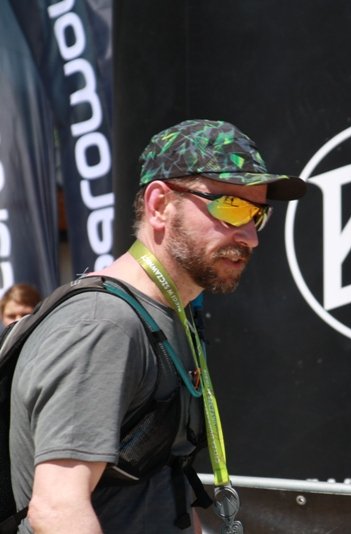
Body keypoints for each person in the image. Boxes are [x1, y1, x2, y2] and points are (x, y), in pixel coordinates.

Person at [10, 118, 306, 533]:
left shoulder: (167, 316)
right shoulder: (104, 325)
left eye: (257, 215)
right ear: (159, 204)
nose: (250, 237)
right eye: (231, 207)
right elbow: (58, 510)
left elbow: (161, 487)